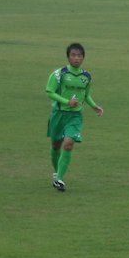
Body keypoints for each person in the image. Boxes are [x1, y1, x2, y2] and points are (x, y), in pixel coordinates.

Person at [46, 43, 104, 192]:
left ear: (83, 58)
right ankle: (56, 172)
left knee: (69, 144)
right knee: (55, 145)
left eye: (79, 56)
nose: (76, 58)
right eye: (73, 55)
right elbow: (49, 91)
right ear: (68, 56)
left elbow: (85, 95)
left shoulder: (86, 77)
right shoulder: (60, 74)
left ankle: (59, 179)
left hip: (75, 116)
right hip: (58, 114)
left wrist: (93, 105)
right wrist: (67, 102)